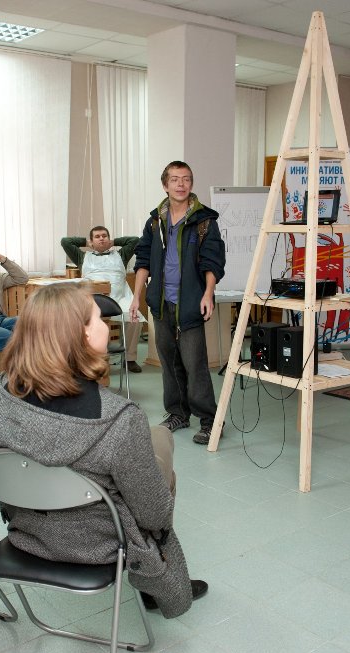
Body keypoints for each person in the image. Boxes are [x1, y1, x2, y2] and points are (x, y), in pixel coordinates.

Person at [0, 283, 207, 617]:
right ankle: (155, 587)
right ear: (81, 334)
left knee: (157, 439)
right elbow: (154, 517)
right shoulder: (120, 419)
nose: (105, 325)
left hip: (27, 534)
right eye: (99, 318)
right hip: (104, 546)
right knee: (161, 447)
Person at [130, 161, 226, 445]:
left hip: (191, 304)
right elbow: (143, 260)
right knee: (170, 364)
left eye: (185, 179)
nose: (180, 184)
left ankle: (209, 421)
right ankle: (178, 414)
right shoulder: (154, 222)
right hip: (161, 304)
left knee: (195, 366)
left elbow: (213, 262)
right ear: (165, 185)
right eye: (174, 179)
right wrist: (136, 296)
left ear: (191, 184)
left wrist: (208, 293)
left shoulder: (204, 221)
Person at [61, 225, 144, 373]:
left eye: (104, 236)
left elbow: (135, 240)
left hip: (120, 298)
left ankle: (129, 358)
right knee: (75, 319)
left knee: (135, 318)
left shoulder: (121, 254)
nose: (101, 239)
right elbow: (65, 241)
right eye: (97, 237)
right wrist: (86, 243)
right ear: (91, 240)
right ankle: (86, 358)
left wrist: (114, 242)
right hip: (92, 300)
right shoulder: (82, 257)